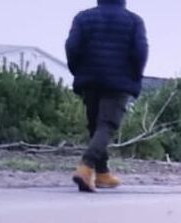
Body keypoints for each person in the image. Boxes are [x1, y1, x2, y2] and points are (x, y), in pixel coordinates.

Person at [64, 0, 149, 193]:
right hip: (118, 81)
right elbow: (140, 51)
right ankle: (86, 167)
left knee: (95, 125)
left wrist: (77, 70)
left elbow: (72, 47)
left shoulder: (83, 17)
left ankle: (102, 174)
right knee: (106, 126)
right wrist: (135, 76)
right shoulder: (134, 21)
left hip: (90, 78)